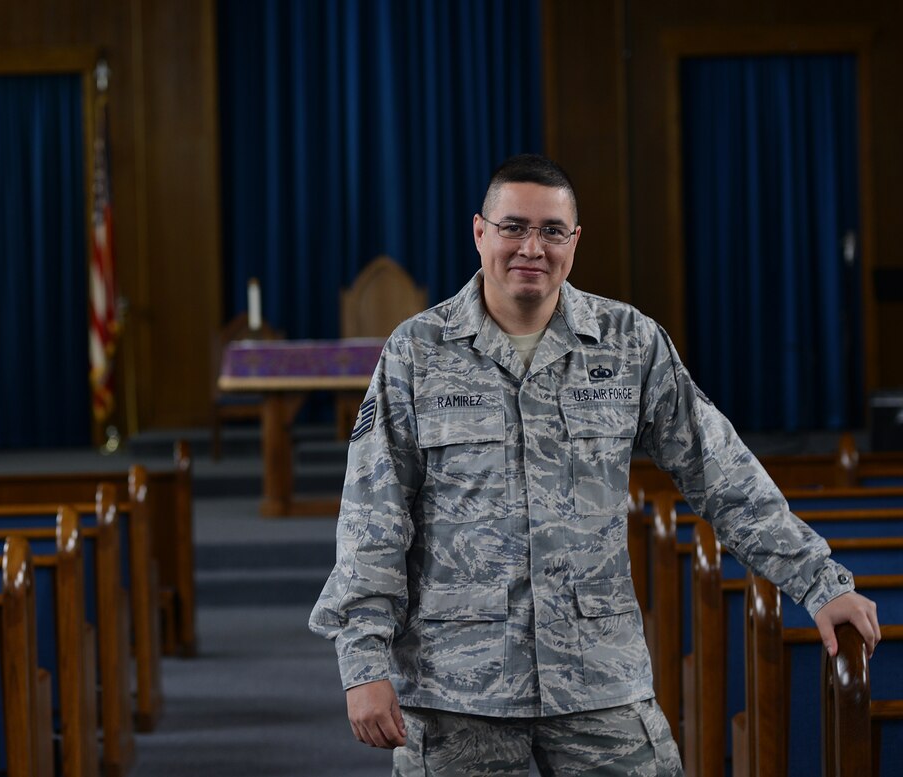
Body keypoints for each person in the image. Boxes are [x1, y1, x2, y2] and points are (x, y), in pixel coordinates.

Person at [309, 153, 880, 775]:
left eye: (552, 231)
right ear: (480, 232)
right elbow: (374, 516)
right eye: (513, 227)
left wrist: (820, 583)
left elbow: (722, 474)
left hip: (597, 677)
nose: (532, 247)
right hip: (458, 686)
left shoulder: (629, 341)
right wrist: (363, 663)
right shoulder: (416, 352)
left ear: (574, 242)